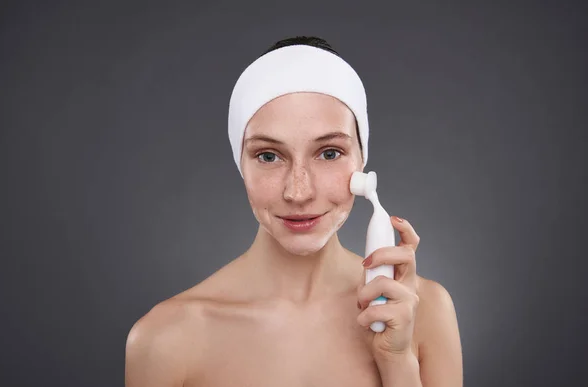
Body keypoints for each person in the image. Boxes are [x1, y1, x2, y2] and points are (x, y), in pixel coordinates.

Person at [125, 36, 463, 387]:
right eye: (269, 156)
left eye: (329, 153)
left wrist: (396, 364)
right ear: (240, 163)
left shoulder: (426, 312)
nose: (299, 192)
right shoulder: (165, 340)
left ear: (362, 162)